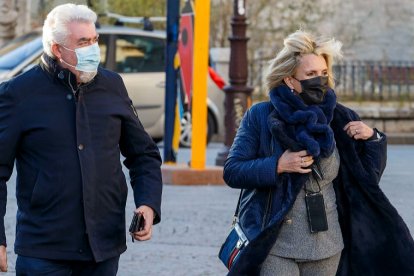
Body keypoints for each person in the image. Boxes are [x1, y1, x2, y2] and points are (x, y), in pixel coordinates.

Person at [222, 30, 414, 275]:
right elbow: (232, 170)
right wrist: (277, 165)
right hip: (274, 243)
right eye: (311, 74)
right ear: (289, 80)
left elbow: (366, 180)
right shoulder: (260, 116)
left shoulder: (340, 117)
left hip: (327, 244)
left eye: (323, 73)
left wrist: (373, 139)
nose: (320, 81)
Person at [0, 4, 163, 275]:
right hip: (44, 250)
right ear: (56, 49)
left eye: (95, 40)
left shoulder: (113, 86)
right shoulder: (18, 94)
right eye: (83, 42)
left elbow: (143, 154)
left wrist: (148, 203)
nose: (93, 49)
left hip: (103, 247)